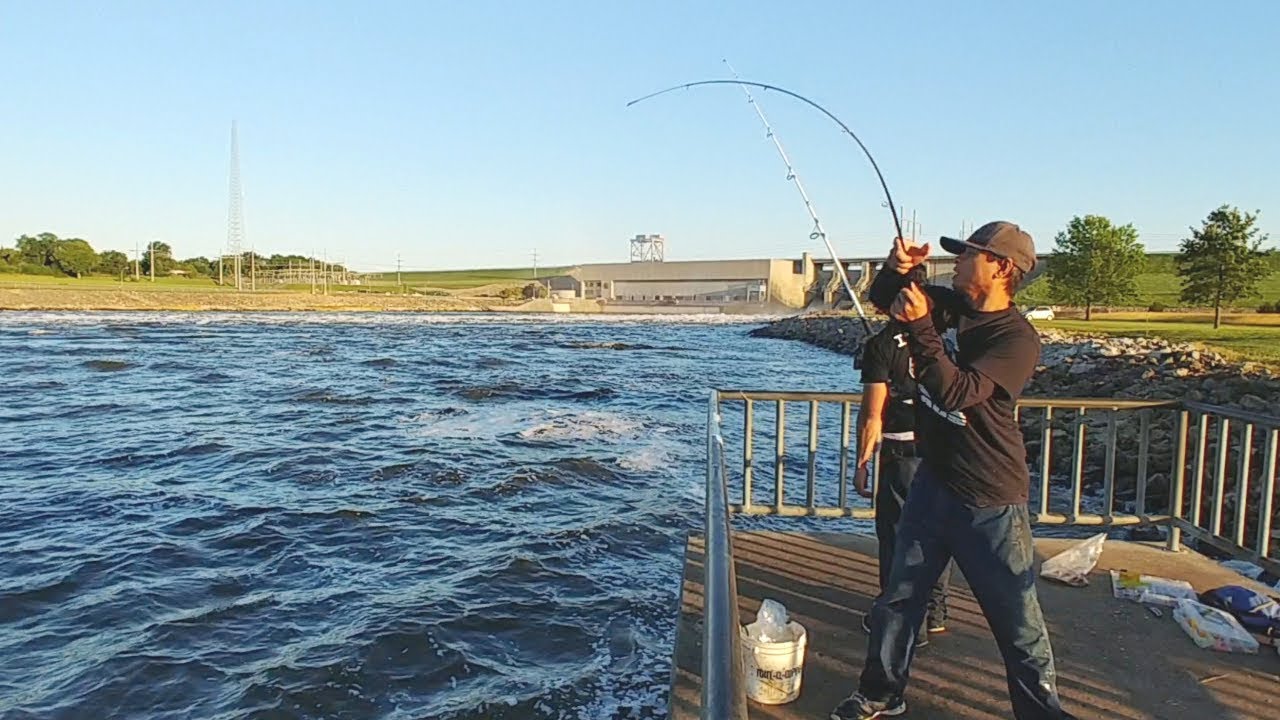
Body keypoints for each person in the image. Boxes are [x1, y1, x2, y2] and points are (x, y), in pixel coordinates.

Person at [832, 221, 1077, 720]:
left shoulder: (1016, 339)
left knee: (1018, 624)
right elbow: (889, 299)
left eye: (969, 255)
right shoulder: (956, 307)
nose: (959, 261)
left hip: (990, 497)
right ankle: (881, 691)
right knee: (898, 598)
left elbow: (957, 392)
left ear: (1001, 268)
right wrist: (898, 269)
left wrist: (923, 329)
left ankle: (1043, 714)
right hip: (932, 483)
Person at [852, 264, 953, 649]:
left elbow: (872, 413)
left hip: (901, 452)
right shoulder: (940, 338)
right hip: (943, 450)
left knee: (897, 536)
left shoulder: (881, 346)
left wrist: (862, 462)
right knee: (937, 534)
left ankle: (898, 616)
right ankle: (936, 611)